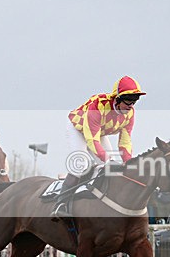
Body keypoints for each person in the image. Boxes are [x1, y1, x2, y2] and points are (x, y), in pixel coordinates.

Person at [51, 75, 146, 218]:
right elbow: (91, 140)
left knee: (112, 169)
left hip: (98, 132)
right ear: (118, 98)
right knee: (81, 164)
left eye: (135, 101)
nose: (131, 105)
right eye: (128, 100)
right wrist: (108, 161)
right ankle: (60, 203)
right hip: (78, 128)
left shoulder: (130, 113)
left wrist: (128, 163)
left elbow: (125, 142)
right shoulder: (98, 106)